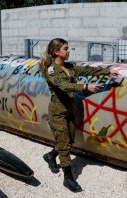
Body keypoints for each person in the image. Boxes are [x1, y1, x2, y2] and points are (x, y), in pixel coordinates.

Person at [39, 38, 120, 192]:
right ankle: (68, 178)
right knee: (64, 145)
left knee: (68, 139)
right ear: (56, 51)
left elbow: (87, 70)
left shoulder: (70, 67)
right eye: (65, 49)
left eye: (68, 48)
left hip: (71, 109)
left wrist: (107, 71)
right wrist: (85, 86)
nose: (68, 51)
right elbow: (64, 85)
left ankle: (50, 155)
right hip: (58, 112)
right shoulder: (51, 70)